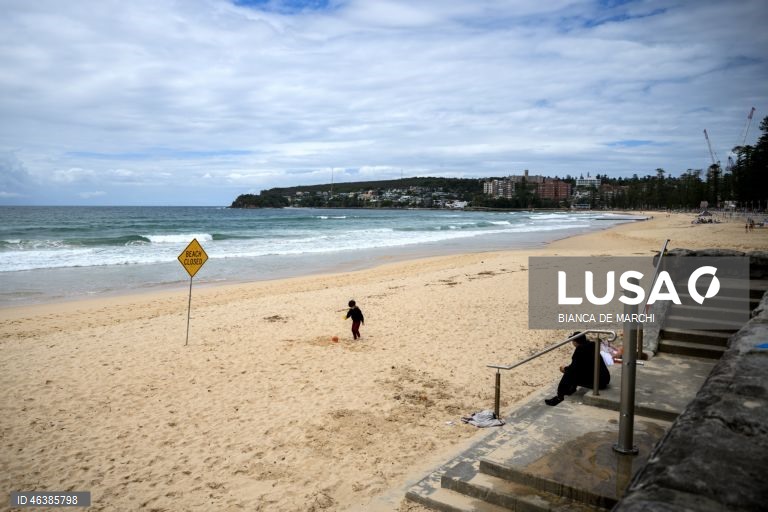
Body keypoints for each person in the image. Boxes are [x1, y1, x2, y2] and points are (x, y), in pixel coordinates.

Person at [545, 331, 610, 406]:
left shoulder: (580, 349)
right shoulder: (591, 346)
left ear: (575, 342)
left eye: (573, 341)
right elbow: (579, 366)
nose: (572, 343)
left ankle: (560, 397)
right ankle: (570, 390)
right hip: (604, 379)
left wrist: (565, 369)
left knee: (568, 373)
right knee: (572, 371)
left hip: (598, 383)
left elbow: (574, 369)